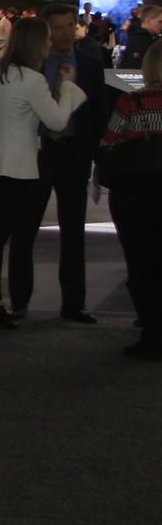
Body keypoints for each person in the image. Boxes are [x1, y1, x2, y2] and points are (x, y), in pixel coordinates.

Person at [0, 16, 84, 334]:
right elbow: (56, 122)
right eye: (47, 38)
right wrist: (69, 86)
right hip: (17, 169)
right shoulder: (32, 79)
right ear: (36, 43)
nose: (50, 43)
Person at [18, 3, 112, 322]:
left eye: (70, 26)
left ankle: (74, 303)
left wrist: (99, 158)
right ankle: (19, 301)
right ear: (47, 31)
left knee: (73, 231)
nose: (66, 33)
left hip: (75, 154)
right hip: (39, 153)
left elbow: (98, 113)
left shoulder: (90, 63)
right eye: (58, 27)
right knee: (25, 228)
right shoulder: (34, 63)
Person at [97, 41, 162, 359]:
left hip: (134, 193)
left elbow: (109, 141)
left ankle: (152, 331)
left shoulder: (132, 101)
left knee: (140, 263)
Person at [124, 2, 161, 68]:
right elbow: (133, 66)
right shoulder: (138, 40)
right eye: (160, 22)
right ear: (148, 21)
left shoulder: (151, 39)